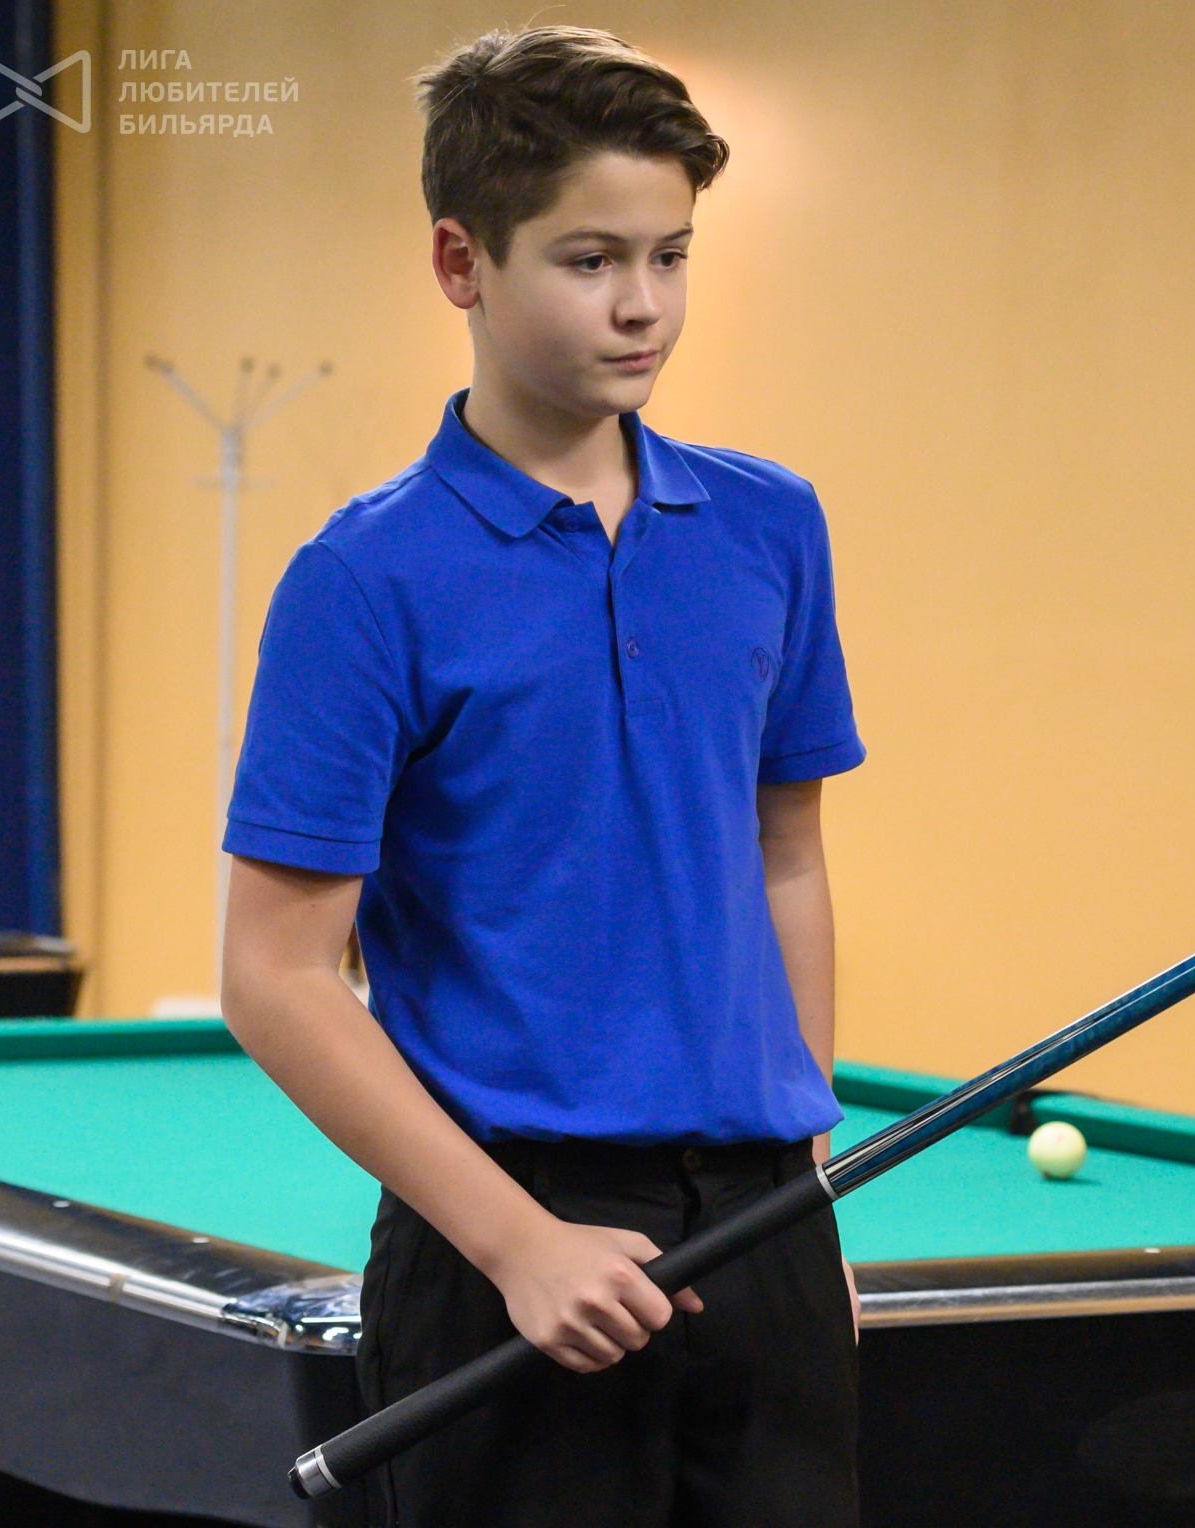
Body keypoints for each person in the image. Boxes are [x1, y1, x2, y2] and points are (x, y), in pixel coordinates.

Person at [219, 25, 862, 1527]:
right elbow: (276, 974)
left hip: (764, 1227)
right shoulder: (363, 578)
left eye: (672, 256)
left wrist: (809, 1188)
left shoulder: (772, 525)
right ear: (462, 262)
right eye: (589, 260)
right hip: (500, 1240)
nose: (644, 305)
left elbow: (785, 855)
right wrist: (517, 1244)